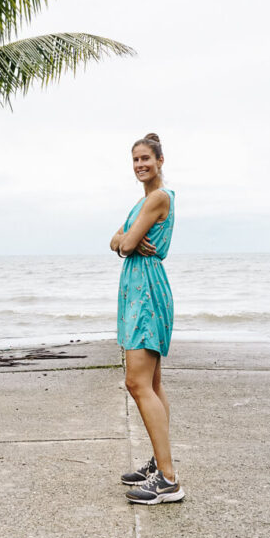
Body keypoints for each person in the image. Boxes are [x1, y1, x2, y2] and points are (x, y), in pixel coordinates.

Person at [110, 133, 184, 505]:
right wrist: (127, 239)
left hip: (146, 293)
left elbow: (121, 244)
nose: (141, 165)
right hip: (141, 289)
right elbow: (114, 240)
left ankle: (168, 479)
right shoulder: (145, 201)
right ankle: (160, 462)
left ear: (160, 160)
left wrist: (128, 240)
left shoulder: (158, 198)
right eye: (135, 159)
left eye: (146, 159)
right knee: (151, 383)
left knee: (136, 383)